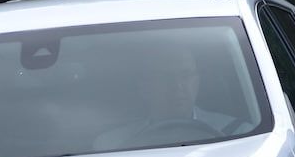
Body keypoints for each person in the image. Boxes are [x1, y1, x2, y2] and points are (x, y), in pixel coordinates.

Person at [93, 44, 237, 150]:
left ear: (198, 80)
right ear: (144, 86)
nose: (177, 86)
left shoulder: (236, 132)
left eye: (186, 75)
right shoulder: (112, 144)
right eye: (165, 77)